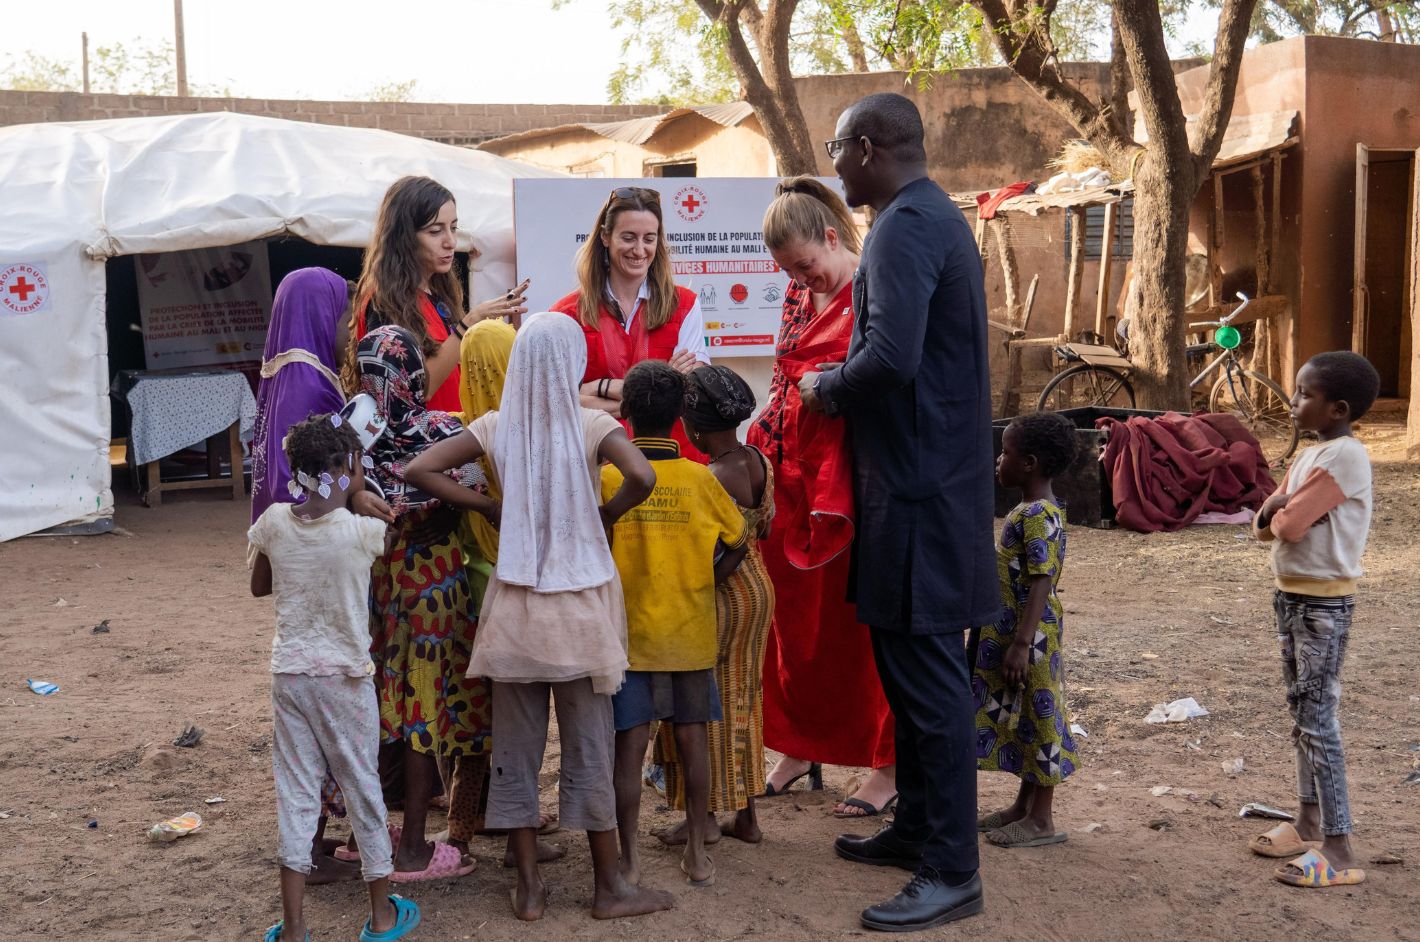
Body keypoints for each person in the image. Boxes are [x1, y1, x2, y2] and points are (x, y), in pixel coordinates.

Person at [798, 92, 996, 931]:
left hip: (920, 491)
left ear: (869, 147)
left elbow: (889, 358)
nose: (832, 163)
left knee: (930, 685)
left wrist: (821, 389)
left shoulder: (910, 226)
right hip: (913, 485)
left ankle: (953, 868)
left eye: (837, 147)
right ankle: (917, 826)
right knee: (908, 676)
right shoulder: (920, 218)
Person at [405, 311, 675, 921]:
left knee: (516, 752)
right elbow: (643, 473)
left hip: (515, 613)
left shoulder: (496, 426)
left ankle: (527, 887)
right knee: (588, 748)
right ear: (573, 362)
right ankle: (609, 887)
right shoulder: (591, 424)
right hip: (578, 612)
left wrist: (490, 506)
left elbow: (417, 468)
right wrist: (605, 513)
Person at [751, 176, 898, 818]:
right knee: (793, 625)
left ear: (832, 238)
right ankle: (799, 746)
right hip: (791, 476)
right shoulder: (795, 294)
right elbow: (787, 379)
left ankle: (887, 769)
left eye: (806, 265)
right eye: (788, 270)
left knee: (863, 633)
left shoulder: (877, 290)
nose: (800, 280)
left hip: (855, 482)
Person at [249, 413, 419, 942]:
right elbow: (368, 528)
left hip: (291, 675)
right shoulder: (366, 531)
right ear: (348, 468)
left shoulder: (274, 522)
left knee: (297, 794)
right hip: (345, 678)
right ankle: (382, 916)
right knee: (363, 787)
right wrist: (357, 497)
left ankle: (296, 928)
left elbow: (260, 586)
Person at [250, 267, 395, 882]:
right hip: (329, 562)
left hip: (290, 568)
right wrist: (356, 496)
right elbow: (331, 482)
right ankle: (348, 867)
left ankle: (306, 853)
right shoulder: (312, 382)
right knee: (345, 747)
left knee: (299, 756)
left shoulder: (277, 375)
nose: (344, 329)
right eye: (341, 316)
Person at [602, 361, 749, 888]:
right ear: (681, 417)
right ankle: (696, 852)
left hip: (630, 638)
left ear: (624, 414)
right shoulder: (697, 478)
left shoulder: (610, 476)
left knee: (628, 749)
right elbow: (738, 542)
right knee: (694, 744)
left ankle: (629, 859)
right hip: (689, 632)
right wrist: (704, 583)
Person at [356, 325, 487, 882]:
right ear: (413, 372)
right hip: (437, 588)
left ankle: (365, 833)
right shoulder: (445, 429)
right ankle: (413, 845)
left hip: (380, 584)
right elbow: (475, 494)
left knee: (384, 699)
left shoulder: (352, 435)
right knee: (425, 708)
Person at [1249, 351, 1379, 889]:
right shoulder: (1312, 454)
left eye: (1305, 394)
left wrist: (1278, 508)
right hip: (1292, 597)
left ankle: (1340, 847)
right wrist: (1277, 509)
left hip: (1324, 604)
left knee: (1319, 720)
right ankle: (1307, 822)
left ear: (1337, 408)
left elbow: (1289, 526)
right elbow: (1265, 523)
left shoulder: (1347, 456)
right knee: (1302, 713)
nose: (1294, 400)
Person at [655, 365, 775, 844]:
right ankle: (745, 817)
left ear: (693, 425)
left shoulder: (711, 477)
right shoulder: (755, 458)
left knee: (703, 704)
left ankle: (701, 817)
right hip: (758, 591)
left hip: (723, 595)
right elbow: (762, 526)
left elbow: (711, 552)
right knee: (744, 697)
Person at [974, 412, 1081, 848]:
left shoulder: (1037, 514)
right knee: (1024, 716)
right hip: (1020, 630)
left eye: (1006, 453)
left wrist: (1021, 642)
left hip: (1030, 635)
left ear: (1030, 463)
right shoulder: (1033, 509)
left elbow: (1041, 579)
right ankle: (1023, 806)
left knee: (1041, 718)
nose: (999, 461)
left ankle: (1042, 819)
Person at [342, 175, 528, 413]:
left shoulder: (439, 292)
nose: (450, 242)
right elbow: (418, 391)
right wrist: (469, 323)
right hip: (425, 447)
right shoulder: (382, 300)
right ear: (404, 237)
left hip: (455, 437)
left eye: (453, 228)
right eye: (435, 231)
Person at [551, 185, 710, 460]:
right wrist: (661, 386)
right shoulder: (566, 314)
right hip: (598, 466)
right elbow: (558, 403)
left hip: (673, 467)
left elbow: (690, 395)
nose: (639, 250)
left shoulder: (685, 305)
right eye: (628, 237)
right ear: (605, 237)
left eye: (649, 238)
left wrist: (597, 389)